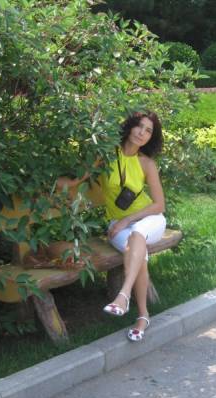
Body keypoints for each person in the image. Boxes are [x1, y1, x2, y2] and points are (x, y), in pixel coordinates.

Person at [57, 111, 166, 342]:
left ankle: (123, 295)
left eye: (148, 131)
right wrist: (45, 183)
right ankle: (143, 316)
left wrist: (128, 219)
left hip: (149, 220)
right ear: (130, 126)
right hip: (118, 225)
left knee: (138, 234)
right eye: (139, 126)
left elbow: (159, 205)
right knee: (138, 253)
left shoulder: (146, 164)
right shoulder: (106, 155)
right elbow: (77, 180)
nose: (142, 133)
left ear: (151, 137)